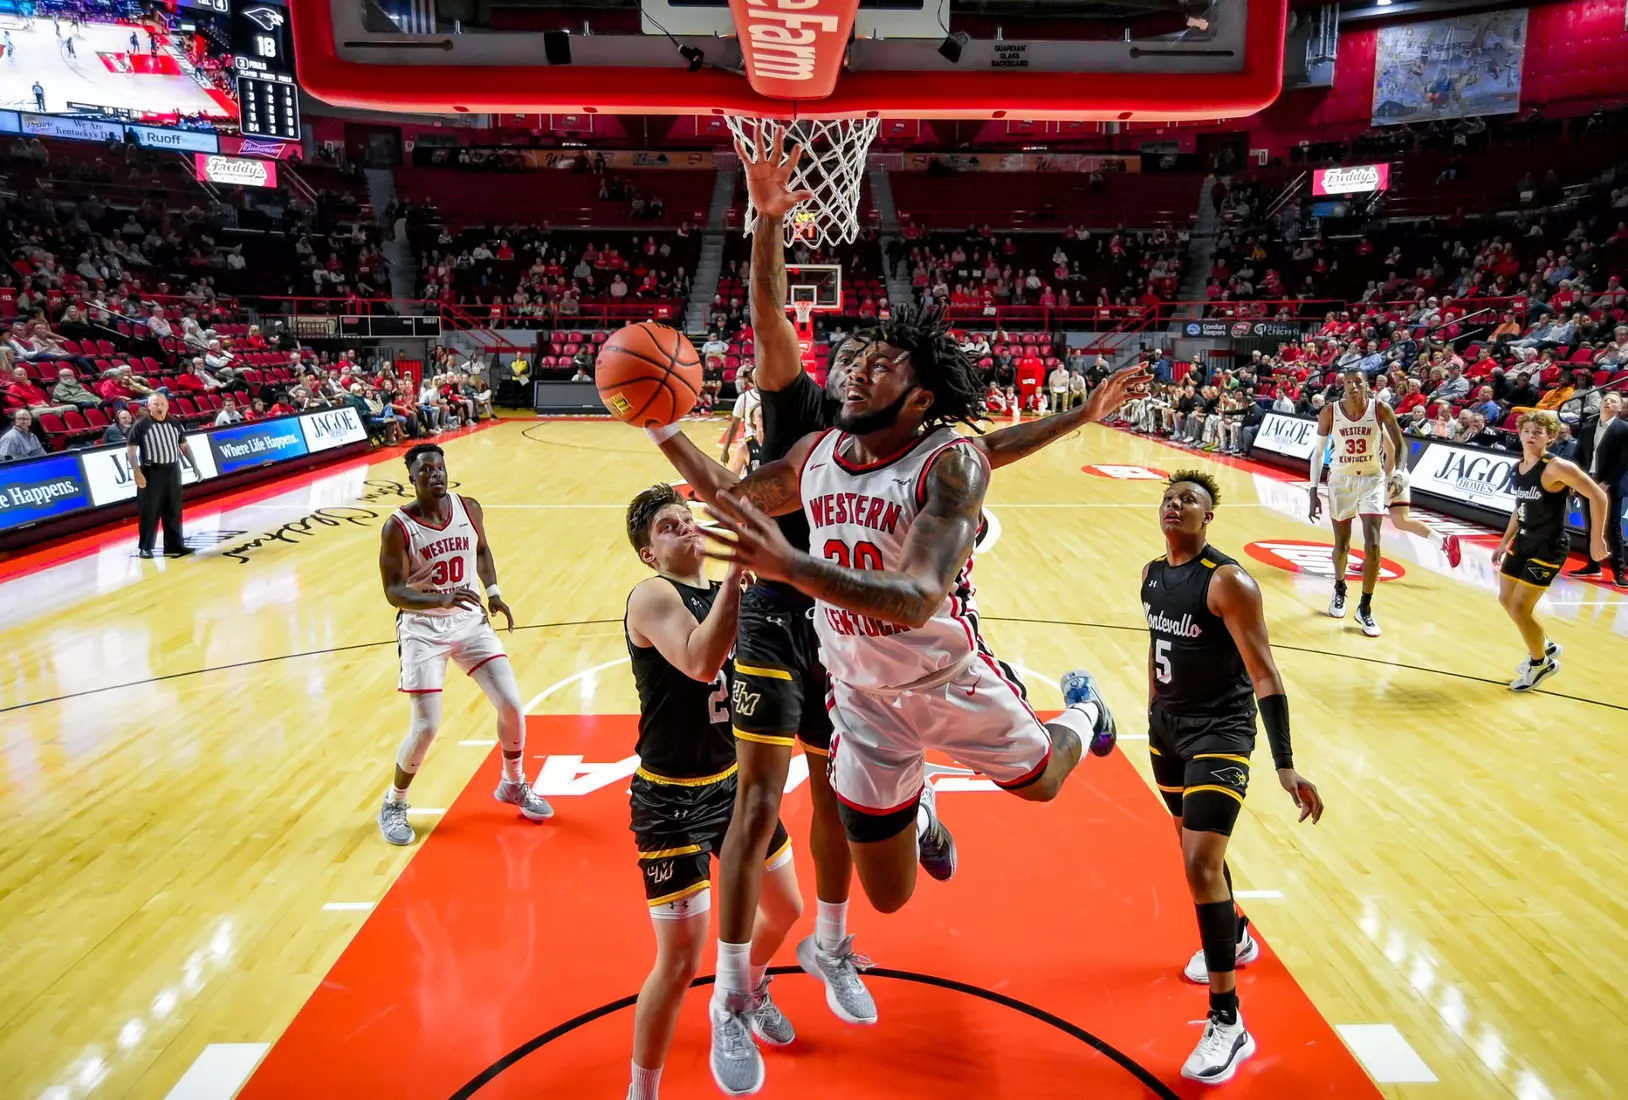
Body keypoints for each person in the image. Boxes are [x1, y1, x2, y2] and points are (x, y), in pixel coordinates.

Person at [646, 131, 1149, 1096]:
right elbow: (732, 492)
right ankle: (906, 819)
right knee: (888, 893)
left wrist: (792, 564)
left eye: (878, 360)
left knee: (1044, 783)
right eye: (857, 354)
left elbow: (921, 589)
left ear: (919, 396)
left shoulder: (949, 457)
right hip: (862, 694)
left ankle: (1084, 713)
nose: (854, 366)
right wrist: (664, 427)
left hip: (942, 674)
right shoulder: (817, 452)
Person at [622, 484, 802, 1100]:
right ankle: (642, 1089)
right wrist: (736, 576)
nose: (685, 528)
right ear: (650, 554)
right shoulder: (652, 595)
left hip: (731, 786)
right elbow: (701, 661)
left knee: (787, 910)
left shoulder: (739, 593)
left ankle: (744, 993)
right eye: (668, 527)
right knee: (678, 960)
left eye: (685, 518)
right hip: (668, 797)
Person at [1144, 470, 1323, 1084]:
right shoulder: (1151, 574)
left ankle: (1228, 1021)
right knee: (1192, 849)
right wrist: (1152, 712)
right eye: (1169, 499)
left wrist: (1285, 762)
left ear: (1208, 517)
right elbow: (1155, 650)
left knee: (1198, 865)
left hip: (1221, 731)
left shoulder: (1228, 583)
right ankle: (1237, 934)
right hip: (1167, 730)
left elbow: (1266, 674)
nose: (1175, 506)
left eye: (1188, 500)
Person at [375, 444, 553, 844]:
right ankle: (395, 801)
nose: (435, 474)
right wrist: (442, 598)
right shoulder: (398, 527)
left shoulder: (468, 507)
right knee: (427, 726)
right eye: (426, 470)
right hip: (422, 628)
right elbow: (393, 591)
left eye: (440, 467)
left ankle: (513, 783)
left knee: (511, 704)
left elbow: (482, 550)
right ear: (412, 477)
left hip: (469, 620)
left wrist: (492, 591)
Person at [1493, 412, 1610, 691]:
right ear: (1519, 434)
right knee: (1506, 599)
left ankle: (1540, 663)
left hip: (1549, 545)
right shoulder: (1518, 467)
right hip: (1522, 540)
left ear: (1550, 437)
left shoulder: (1556, 467)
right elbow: (1519, 508)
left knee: (1521, 607)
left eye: (1538, 431)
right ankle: (1544, 644)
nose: (1531, 435)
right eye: (1527, 430)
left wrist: (1596, 540)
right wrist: (1504, 541)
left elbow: (1598, 495)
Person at [1308, 368, 1404, 636]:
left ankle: (1365, 607)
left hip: (1372, 480)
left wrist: (1395, 474)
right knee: (1342, 543)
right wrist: (1313, 490)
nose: (1352, 387)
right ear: (1343, 386)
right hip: (1341, 480)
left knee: (1373, 543)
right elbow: (1317, 454)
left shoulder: (1380, 409)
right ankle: (1339, 587)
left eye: (1357, 383)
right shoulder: (1330, 411)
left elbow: (1400, 445)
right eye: (1347, 383)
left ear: (1366, 385)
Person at [127, 394, 198, 559]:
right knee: (150, 511)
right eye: (155, 403)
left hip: (173, 469)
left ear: (167, 405)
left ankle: (173, 545)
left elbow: (184, 446)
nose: (159, 406)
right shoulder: (142, 424)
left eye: (162, 403)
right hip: (152, 471)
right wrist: (136, 471)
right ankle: (145, 547)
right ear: (149, 406)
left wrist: (194, 465)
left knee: (173, 509)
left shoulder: (174, 422)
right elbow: (131, 450)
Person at [1568, 391, 1628, 586]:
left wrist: (1606, 483)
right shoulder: (1587, 427)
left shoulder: (1624, 429)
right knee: (1591, 524)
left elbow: (1624, 461)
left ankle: (1619, 572)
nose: (1608, 403)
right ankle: (1593, 565)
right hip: (1588, 481)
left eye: (1613, 401)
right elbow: (1578, 456)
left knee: (1612, 527)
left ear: (1620, 408)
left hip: (1610, 484)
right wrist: (1574, 480)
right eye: (1606, 400)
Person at [1381, 430, 1462, 567]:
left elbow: (1391, 451)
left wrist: (1385, 477)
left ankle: (1371, 562)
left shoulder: (1375, 420)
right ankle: (1443, 541)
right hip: (1400, 473)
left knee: (1371, 520)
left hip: (1391, 475)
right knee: (1401, 521)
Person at [719, 366, 759, 464]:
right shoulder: (744, 398)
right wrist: (725, 450)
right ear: (752, 381)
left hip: (769, 443)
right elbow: (734, 425)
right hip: (750, 444)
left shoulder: (774, 397)